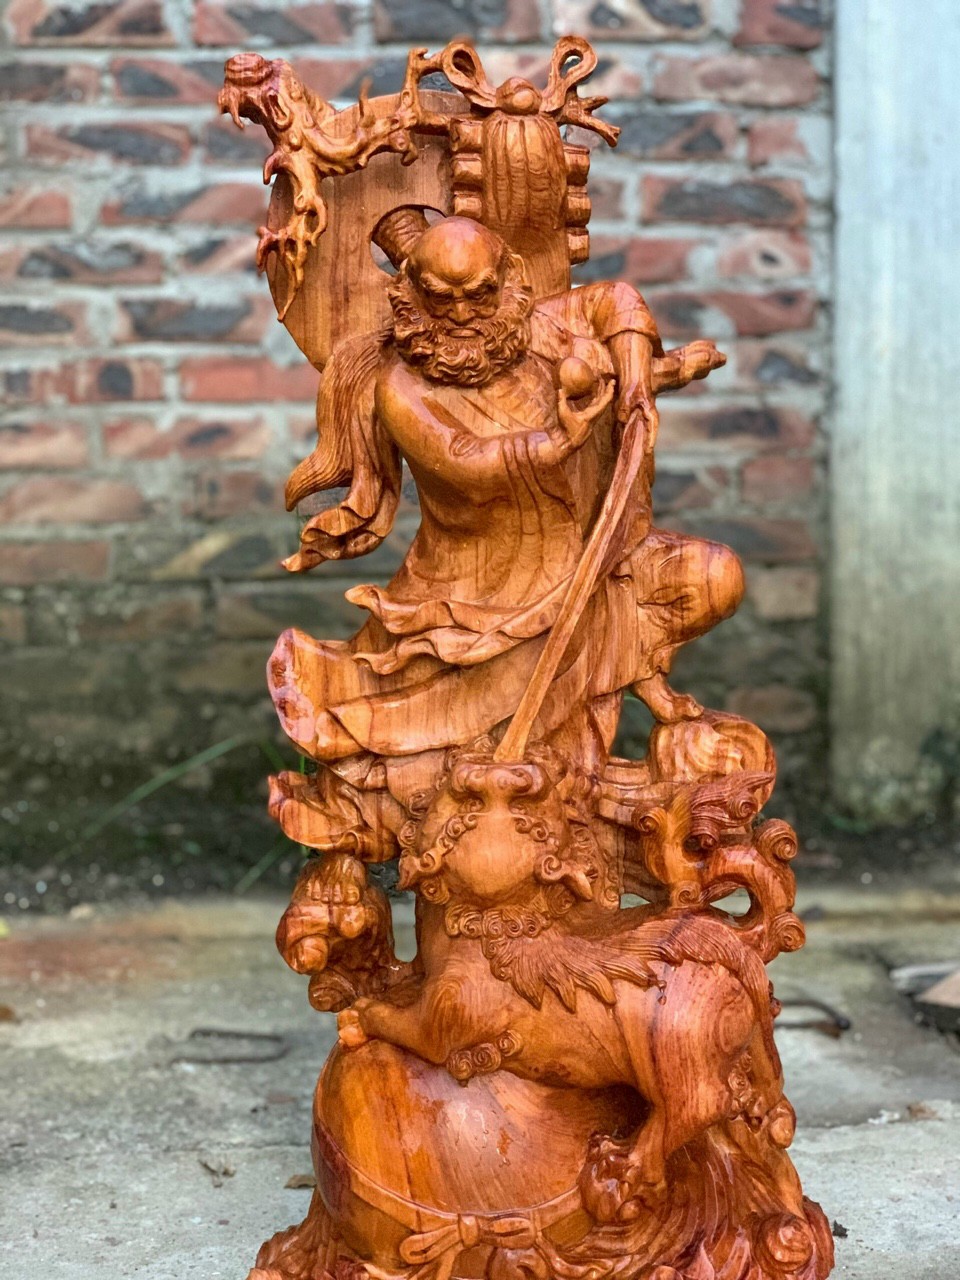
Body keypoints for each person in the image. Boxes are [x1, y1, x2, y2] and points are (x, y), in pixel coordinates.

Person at [267, 215, 742, 864]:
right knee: (442, 756)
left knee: (712, 579)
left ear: (509, 278)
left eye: (479, 294)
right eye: (442, 299)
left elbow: (618, 302)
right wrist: (561, 439)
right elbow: (465, 459)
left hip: (596, 554)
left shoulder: (546, 326)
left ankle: (635, 684)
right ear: (409, 292)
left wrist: (638, 384)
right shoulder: (400, 386)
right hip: (481, 588)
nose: (462, 314)